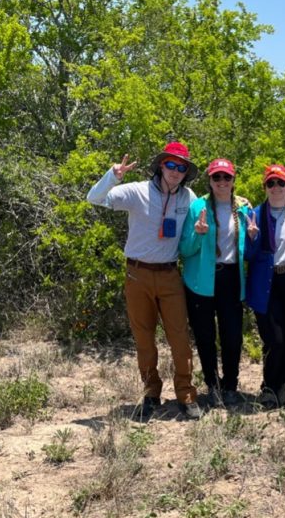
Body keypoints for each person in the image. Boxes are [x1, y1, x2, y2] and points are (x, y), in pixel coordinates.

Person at [86, 141, 202, 421]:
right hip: (137, 274)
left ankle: (185, 393)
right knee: (144, 338)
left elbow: (209, 215)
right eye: (170, 164)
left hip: (170, 274)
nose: (175, 171)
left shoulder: (188, 197)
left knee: (179, 338)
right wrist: (112, 176)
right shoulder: (137, 191)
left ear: (186, 172)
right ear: (161, 165)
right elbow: (94, 198)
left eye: (181, 167)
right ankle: (151, 392)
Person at [179, 158, 257, 408]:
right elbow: (185, 249)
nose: (222, 182)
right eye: (217, 177)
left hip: (232, 278)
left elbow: (252, 247)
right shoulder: (197, 207)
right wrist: (198, 234)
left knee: (232, 336)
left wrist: (255, 237)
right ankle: (212, 386)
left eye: (227, 177)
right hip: (201, 280)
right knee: (205, 336)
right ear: (209, 181)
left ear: (234, 180)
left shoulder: (244, 208)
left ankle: (230, 386)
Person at [245, 164, 285, 409]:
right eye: (270, 183)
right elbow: (248, 256)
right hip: (266, 284)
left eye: (280, 183)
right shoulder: (256, 214)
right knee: (275, 339)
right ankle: (268, 387)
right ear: (265, 187)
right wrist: (251, 237)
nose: (275, 188)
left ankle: (284, 386)